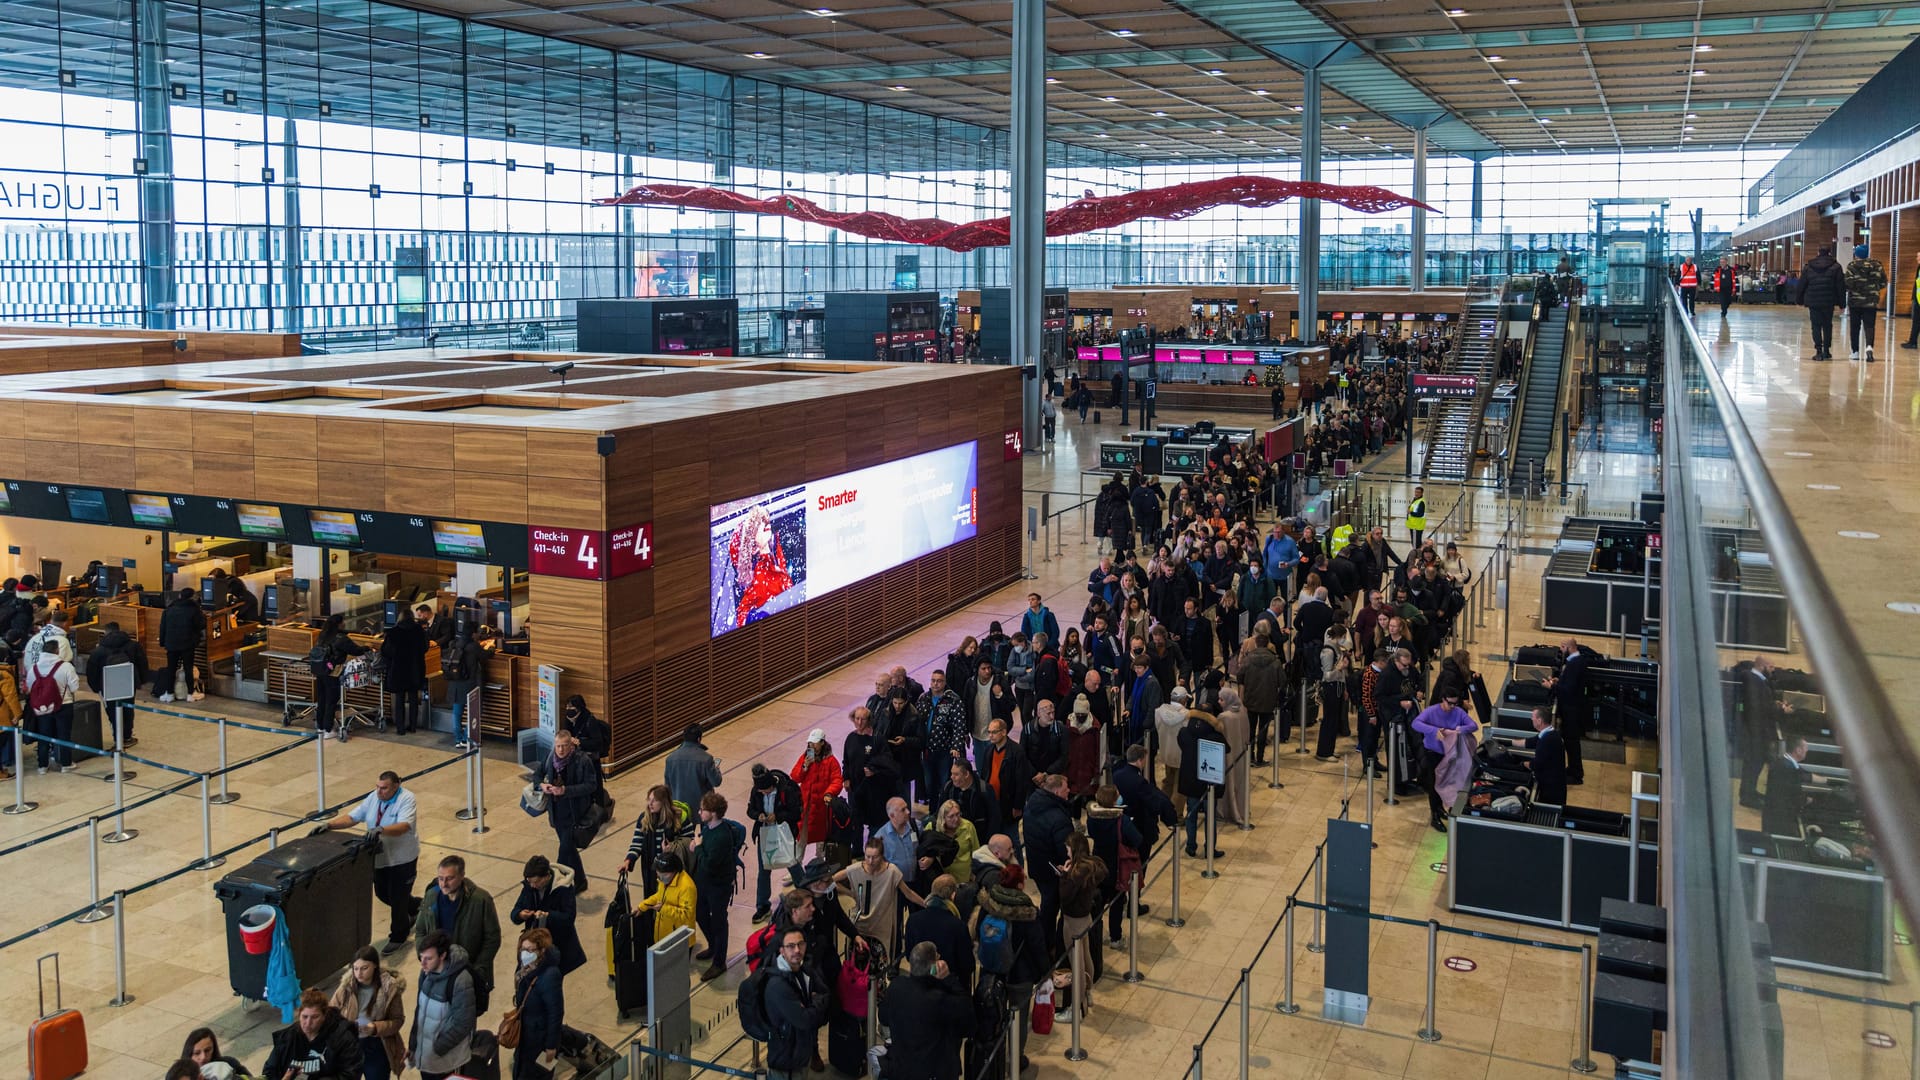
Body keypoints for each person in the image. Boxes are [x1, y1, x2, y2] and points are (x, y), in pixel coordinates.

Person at [327, 770, 421, 953]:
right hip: (380, 858)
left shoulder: (407, 799)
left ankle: (398, 936)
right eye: (377, 787)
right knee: (382, 893)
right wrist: (330, 825)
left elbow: (403, 826)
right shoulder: (373, 798)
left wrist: (381, 829)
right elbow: (353, 817)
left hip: (403, 859)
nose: (380, 791)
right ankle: (415, 905)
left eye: (384, 788)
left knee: (398, 898)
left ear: (396, 786)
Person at [412, 855, 502, 1015]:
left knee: (463, 1021)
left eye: (449, 878)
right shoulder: (432, 896)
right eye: (440, 878)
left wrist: (478, 969)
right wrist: (424, 956)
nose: (443, 884)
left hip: (466, 974)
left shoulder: (480, 900)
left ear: (462, 876)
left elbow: (492, 938)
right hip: (435, 971)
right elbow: (420, 930)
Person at [881, 940, 971, 1080]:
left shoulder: (896, 987)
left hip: (900, 1069)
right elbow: (968, 1019)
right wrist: (949, 979)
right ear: (934, 966)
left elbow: (883, 1017)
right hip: (932, 1072)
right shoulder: (940, 1000)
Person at [533, 726, 600, 892]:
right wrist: (542, 785)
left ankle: (554, 884)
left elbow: (592, 785)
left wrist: (566, 791)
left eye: (564, 745)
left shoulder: (582, 760)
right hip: (556, 812)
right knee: (569, 848)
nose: (561, 750)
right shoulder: (550, 758)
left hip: (575, 813)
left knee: (563, 851)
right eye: (558, 746)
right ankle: (581, 880)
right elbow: (537, 775)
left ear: (571, 745)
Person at [688, 791, 744, 981]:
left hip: (718, 885)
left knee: (719, 921)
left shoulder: (721, 836)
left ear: (712, 812)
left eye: (702, 810)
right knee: (700, 913)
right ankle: (713, 945)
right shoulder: (707, 827)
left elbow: (709, 864)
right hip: (704, 882)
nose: (699, 812)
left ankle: (719, 962)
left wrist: (698, 846)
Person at [330, 946, 408, 1080]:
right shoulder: (346, 987)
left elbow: (397, 1020)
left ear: (375, 966)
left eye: (364, 968)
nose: (359, 973)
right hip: (350, 1045)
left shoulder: (390, 989)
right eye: (355, 968)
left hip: (377, 1046)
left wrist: (375, 1028)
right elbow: (331, 1013)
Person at [763, 929, 832, 1080]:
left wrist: (811, 1006)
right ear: (782, 950)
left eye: (800, 944)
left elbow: (825, 994)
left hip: (801, 1055)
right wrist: (815, 1003)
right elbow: (804, 1020)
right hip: (786, 1062)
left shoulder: (804, 970)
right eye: (791, 946)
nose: (797, 950)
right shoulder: (778, 986)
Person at [409, 929, 477, 1080]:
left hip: (446, 1062)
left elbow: (463, 1023)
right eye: (421, 958)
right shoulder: (425, 973)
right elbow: (420, 1011)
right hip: (426, 1059)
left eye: (428, 958)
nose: (423, 963)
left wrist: (437, 1048)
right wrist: (413, 1044)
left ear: (443, 955)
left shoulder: (461, 980)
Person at [836, 836, 924, 951]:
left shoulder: (892, 871)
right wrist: (850, 893)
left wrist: (925, 903)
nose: (870, 861)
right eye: (868, 857)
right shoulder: (855, 869)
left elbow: (908, 893)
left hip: (881, 926)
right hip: (859, 924)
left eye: (875, 857)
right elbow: (831, 881)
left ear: (882, 856)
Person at [1088, 781, 1147, 946]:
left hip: (1099, 864)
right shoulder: (1123, 820)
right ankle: (1115, 937)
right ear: (1114, 800)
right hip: (1117, 866)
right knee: (1116, 903)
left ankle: (1095, 937)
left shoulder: (1092, 818)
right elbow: (1137, 840)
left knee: (1098, 903)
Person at [1411, 688, 1479, 832]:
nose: (1453, 707)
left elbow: (1473, 725)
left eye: (1455, 703)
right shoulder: (1431, 711)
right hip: (1432, 752)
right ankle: (1434, 814)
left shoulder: (1458, 711)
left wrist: (1459, 729)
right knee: (1434, 784)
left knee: (1446, 782)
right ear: (1443, 699)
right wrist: (1435, 731)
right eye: (1450, 703)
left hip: (1449, 754)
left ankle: (1440, 808)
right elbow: (1415, 724)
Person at [1022, 773, 1075, 953]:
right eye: (1066, 788)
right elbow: (1066, 849)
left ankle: (1047, 941)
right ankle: (1049, 944)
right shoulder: (1058, 817)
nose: (1069, 791)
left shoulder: (1032, 805)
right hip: (1054, 870)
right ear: (1057, 791)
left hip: (1038, 866)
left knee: (1048, 902)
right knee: (1052, 907)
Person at [511, 854, 587, 976]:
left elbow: (569, 918)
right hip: (533, 944)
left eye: (536, 882)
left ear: (547, 876)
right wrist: (520, 914)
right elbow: (515, 911)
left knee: (549, 982)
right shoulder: (529, 887)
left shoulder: (563, 888)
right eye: (529, 882)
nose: (532, 886)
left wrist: (548, 915)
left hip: (556, 946)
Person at [263, 988, 363, 1079]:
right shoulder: (287, 1038)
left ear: (324, 1016)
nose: (308, 1023)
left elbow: (351, 1074)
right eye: (304, 1017)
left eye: (315, 1017)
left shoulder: (343, 1038)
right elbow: (269, 1071)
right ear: (299, 1014)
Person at [747, 764, 804, 922]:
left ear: (772, 785)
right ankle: (762, 906)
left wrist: (777, 816)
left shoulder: (787, 789)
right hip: (765, 833)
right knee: (764, 869)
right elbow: (750, 810)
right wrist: (758, 815)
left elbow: (796, 813)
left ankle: (807, 894)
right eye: (761, 791)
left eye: (766, 791)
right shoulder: (756, 791)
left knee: (792, 864)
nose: (763, 793)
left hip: (784, 833)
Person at [511, 928, 565, 1080]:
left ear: (541, 950)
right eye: (522, 949)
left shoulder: (550, 975)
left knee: (539, 1075)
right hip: (526, 1036)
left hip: (541, 1041)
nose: (524, 954)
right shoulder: (525, 970)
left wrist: (551, 1046)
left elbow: (556, 1013)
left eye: (529, 950)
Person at [903, 875, 974, 989]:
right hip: (949, 988)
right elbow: (968, 965)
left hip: (919, 985)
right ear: (953, 895)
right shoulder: (958, 926)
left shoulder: (913, 919)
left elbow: (909, 955)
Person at [624, 783, 693, 898]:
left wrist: (672, 849)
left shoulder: (679, 818)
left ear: (664, 802)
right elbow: (637, 843)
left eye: (654, 801)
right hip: (651, 872)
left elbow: (690, 844)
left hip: (673, 872)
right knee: (652, 899)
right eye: (649, 799)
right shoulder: (644, 818)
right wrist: (628, 861)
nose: (650, 804)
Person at [83, 620, 145, 747]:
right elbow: (142, 664)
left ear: (105, 632)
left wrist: (96, 687)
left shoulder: (98, 650)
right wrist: (139, 681)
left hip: (107, 685)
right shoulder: (133, 645)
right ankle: (127, 737)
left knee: (112, 711)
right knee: (128, 709)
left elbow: (91, 671)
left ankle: (118, 739)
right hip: (128, 682)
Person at [24, 637, 78, 774]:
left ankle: (42, 766)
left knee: (44, 735)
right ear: (57, 651)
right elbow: (74, 686)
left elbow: (30, 686)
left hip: (42, 707)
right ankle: (66, 764)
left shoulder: (34, 668)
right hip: (64, 705)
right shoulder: (66, 666)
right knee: (64, 735)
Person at [1176, 704, 1224, 859]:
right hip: (1209, 780)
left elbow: (1182, 745)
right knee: (1210, 817)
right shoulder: (1215, 735)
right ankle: (1210, 848)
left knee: (1191, 814)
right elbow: (1226, 749)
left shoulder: (1184, 732)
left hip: (1190, 780)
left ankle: (1190, 846)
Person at [790, 728, 843, 856]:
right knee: (801, 835)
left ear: (822, 743)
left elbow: (837, 780)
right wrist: (805, 767)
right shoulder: (806, 757)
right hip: (806, 804)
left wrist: (829, 793)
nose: (811, 745)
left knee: (821, 836)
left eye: (814, 743)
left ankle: (820, 865)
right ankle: (796, 865)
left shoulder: (831, 761)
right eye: (810, 743)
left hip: (821, 807)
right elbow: (795, 777)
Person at [1545, 638, 1588, 785]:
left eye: (1562, 647)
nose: (1561, 650)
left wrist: (1551, 687)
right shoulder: (1577, 661)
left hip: (1572, 711)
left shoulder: (1575, 664)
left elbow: (1569, 690)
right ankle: (1572, 769)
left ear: (1569, 647)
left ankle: (1576, 774)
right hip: (1572, 709)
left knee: (1572, 742)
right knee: (1570, 742)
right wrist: (1559, 681)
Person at [380, 605, 429, 736]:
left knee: (399, 699)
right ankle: (413, 726)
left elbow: (386, 651)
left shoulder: (393, 632)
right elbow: (425, 648)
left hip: (398, 670)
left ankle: (400, 728)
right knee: (413, 698)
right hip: (415, 668)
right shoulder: (419, 630)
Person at [1795, 244, 1847, 361]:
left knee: (1816, 326)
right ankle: (1827, 351)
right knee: (1827, 325)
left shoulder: (1809, 267)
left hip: (1813, 300)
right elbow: (1840, 286)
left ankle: (1818, 351)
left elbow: (1802, 284)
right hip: (1829, 301)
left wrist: (1799, 300)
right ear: (1829, 252)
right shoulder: (1836, 267)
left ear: (1818, 252)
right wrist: (1842, 304)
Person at [639, 849, 699, 949]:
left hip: (679, 941)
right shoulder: (666, 880)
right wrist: (642, 907)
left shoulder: (687, 887)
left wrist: (663, 908)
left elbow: (687, 915)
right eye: (658, 873)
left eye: (664, 874)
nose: (660, 877)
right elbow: (659, 896)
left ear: (675, 871)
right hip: (664, 936)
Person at [158, 587, 206, 703]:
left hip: (171, 644)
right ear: (192, 597)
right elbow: (201, 624)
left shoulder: (169, 609)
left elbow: (163, 627)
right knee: (188, 669)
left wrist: (163, 642)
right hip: (187, 644)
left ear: (180, 596)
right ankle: (190, 694)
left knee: (171, 669)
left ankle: (169, 693)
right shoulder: (194, 610)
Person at [442, 627, 485, 748]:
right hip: (470, 684)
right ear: (473, 634)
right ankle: (467, 738)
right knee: (473, 712)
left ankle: (458, 739)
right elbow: (486, 656)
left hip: (455, 683)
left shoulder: (454, 644)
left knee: (457, 712)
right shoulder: (473, 647)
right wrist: (490, 647)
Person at [664, 722, 723, 810]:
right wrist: (717, 769)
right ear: (699, 739)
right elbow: (716, 782)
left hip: (679, 809)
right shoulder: (706, 759)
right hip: (702, 809)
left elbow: (667, 787)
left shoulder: (670, 759)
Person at [1844, 242, 1887, 361]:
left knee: (1855, 327)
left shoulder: (1851, 266)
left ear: (1856, 254)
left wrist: (1857, 289)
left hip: (1855, 302)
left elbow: (1848, 283)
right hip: (1871, 301)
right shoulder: (1877, 265)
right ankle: (1869, 348)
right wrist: (1874, 289)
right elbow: (1884, 282)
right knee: (1869, 326)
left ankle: (1855, 352)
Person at [1762, 735, 1811, 838]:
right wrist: (1806, 800)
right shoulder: (1788, 769)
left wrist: (1828, 780)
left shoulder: (1785, 763)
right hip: (1780, 820)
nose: (1806, 752)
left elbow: (1803, 774)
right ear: (1798, 750)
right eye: (1805, 750)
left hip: (1774, 816)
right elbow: (1792, 795)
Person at [1524, 707, 1567, 807]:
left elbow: (1536, 764)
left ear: (1539, 721)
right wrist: (1508, 742)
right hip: (1554, 784)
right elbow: (1530, 742)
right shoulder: (1549, 733)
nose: (1531, 719)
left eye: (1533, 717)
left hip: (1551, 789)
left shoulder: (1547, 740)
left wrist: (1524, 764)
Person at [932, 797, 982, 881]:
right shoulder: (933, 829)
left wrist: (975, 873)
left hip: (964, 878)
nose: (956, 819)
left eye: (958, 814)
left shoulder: (968, 826)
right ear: (943, 818)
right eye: (951, 816)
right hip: (942, 878)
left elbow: (976, 852)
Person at [562, 695, 611, 763]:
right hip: (574, 753)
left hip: (589, 756)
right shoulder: (568, 718)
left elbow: (597, 743)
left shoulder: (590, 721)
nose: (567, 709)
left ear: (578, 708)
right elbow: (565, 732)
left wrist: (579, 742)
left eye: (570, 707)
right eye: (567, 707)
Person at [182, 1028, 249, 1078]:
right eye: (197, 1053)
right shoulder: (179, 1074)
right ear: (189, 1054)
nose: (203, 1057)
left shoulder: (229, 1064)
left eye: (207, 1050)